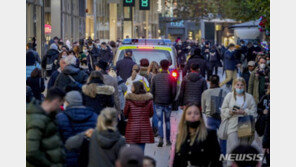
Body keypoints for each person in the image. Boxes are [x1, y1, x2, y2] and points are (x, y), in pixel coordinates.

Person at [220, 77, 258, 166]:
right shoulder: (229, 96)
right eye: (238, 85)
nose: (240, 87)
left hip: (245, 124)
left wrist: (244, 112)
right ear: (234, 85)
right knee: (232, 148)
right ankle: (230, 164)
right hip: (232, 125)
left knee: (243, 149)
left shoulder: (249, 97)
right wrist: (230, 111)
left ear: (245, 86)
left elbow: (254, 112)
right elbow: (223, 109)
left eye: (241, 85)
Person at [56, 91, 97, 167]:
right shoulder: (93, 116)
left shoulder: (61, 117)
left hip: (67, 158)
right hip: (88, 158)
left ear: (67, 102)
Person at [26, 87, 66, 167]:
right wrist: (49, 164)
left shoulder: (45, 116)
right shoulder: (38, 120)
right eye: (61, 103)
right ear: (56, 101)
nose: (60, 107)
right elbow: (31, 151)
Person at [151, 59, 177, 147]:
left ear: (160, 66)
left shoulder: (156, 77)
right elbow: (174, 91)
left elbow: (152, 90)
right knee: (167, 121)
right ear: (168, 66)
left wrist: (155, 99)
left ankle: (161, 138)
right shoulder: (171, 78)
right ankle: (168, 140)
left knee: (159, 121)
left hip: (158, 102)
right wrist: (171, 100)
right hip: (168, 102)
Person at [124, 81, 154, 151]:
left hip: (132, 128)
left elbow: (125, 113)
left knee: (132, 152)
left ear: (135, 88)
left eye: (132, 86)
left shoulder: (129, 99)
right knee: (141, 151)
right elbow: (151, 114)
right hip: (144, 128)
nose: (131, 88)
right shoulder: (148, 99)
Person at [201, 75, 227, 154]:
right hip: (221, 118)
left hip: (210, 118)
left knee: (211, 137)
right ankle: (223, 154)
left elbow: (203, 107)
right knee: (223, 137)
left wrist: (206, 113)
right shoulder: (224, 92)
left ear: (210, 82)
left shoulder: (205, 93)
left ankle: (212, 153)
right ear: (219, 82)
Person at [255, 86, 270, 166]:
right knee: (263, 148)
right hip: (262, 125)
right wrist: (262, 111)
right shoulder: (265, 97)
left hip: (269, 128)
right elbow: (257, 108)